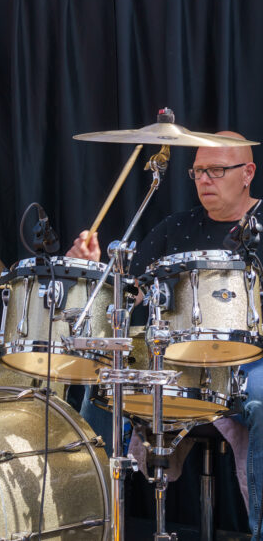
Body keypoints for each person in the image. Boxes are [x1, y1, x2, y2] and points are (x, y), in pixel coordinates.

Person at [68, 132, 263, 539]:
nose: (204, 179)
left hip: (252, 361)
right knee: (105, 382)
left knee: (262, 402)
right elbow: (129, 290)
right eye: (197, 171)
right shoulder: (177, 227)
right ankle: (90, 520)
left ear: (247, 173)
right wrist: (95, 269)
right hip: (177, 363)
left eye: (216, 170)